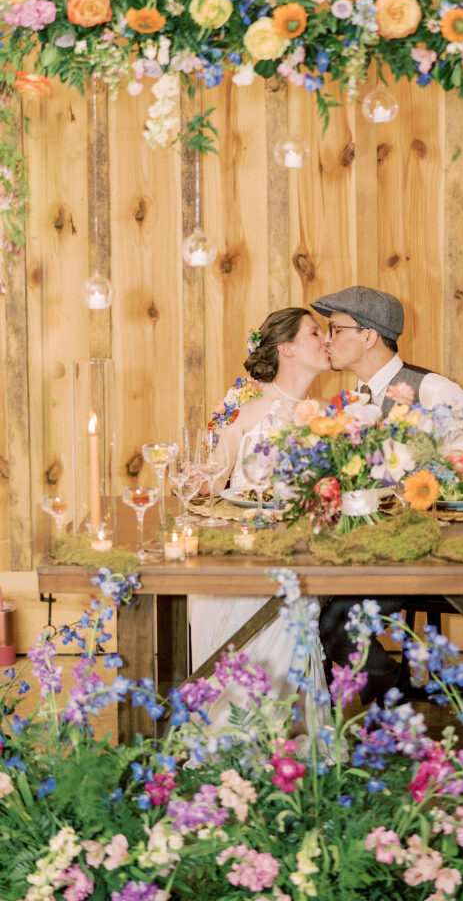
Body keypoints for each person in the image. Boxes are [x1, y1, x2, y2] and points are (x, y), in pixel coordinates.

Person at [310, 285, 463, 705]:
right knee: (336, 624)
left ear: (369, 336)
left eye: (335, 328)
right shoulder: (349, 403)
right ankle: (395, 697)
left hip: (454, 550)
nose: (327, 339)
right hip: (386, 556)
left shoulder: (433, 391)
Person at [188, 307, 332, 731]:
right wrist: (197, 478)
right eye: (314, 332)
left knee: (298, 595)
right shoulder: (248, 410)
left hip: (303, 550)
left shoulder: (326, 415)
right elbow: (214, 479)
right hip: (248, 551)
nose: (325, 339)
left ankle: (285, 734)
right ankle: (237, 730)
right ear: (287, 349)